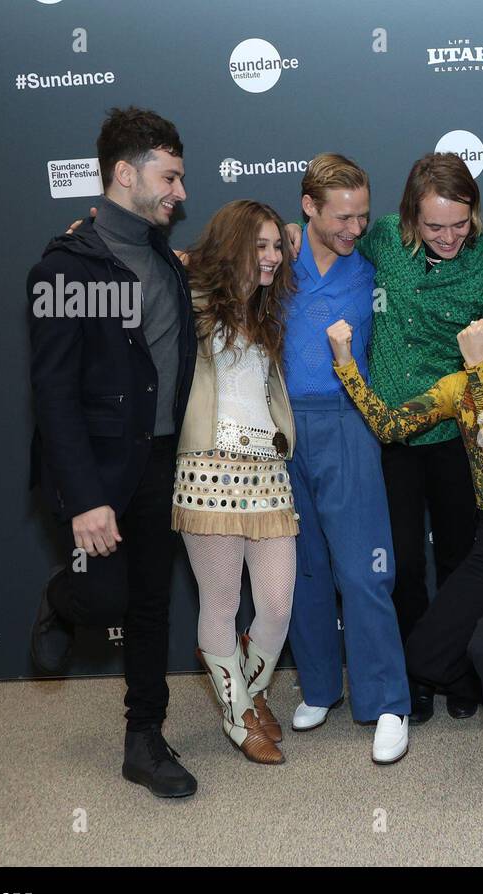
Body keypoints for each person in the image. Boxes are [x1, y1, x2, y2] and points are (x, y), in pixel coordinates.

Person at [286, 153, 483, 724]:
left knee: (464, 555)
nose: (448, 236)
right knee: (402, 561)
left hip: (460, 434)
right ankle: (417, 673)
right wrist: (290, 231)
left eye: (459, 224)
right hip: (390, 430)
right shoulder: (381, 237)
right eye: (434, 226)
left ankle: (463, 669)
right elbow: (323, 238)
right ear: (409, 218)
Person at [326, 283, 483, 806]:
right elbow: (390, 426)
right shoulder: (458, 384)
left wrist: (479, 366)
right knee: (425, 653)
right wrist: (347, 363)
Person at [27, 106, 198, 797]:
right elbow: (54, 396)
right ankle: (63, 602)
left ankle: (144, 739)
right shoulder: (62, 268)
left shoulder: (163, 254)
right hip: (97, 472)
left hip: (160, 460)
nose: (181, 192)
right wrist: (85, 499)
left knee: (151, 602)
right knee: (105, 599)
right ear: (125, 174)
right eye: (171, 177)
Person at [283, 154, 410, 764]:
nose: (355, 228)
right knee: (301, 566)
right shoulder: (273, 257)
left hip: (348, 421)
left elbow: (451, 247)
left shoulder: (375, 264)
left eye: (363, 215)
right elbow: (197, 266)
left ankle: (387, 701)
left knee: (363, 569)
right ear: (308, 207)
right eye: (342, 217)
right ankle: (319, 687)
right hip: (277, 427)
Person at [173, 200, 298, 765]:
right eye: (260, 246)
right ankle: (238, 715)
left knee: (276, 600)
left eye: (277, 246)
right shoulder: (193, 299)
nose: (271, 257)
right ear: (233, 246)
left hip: (268, 470)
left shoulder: (267, 310)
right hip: (207, 468)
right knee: (220, 602)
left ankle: (248, 688)